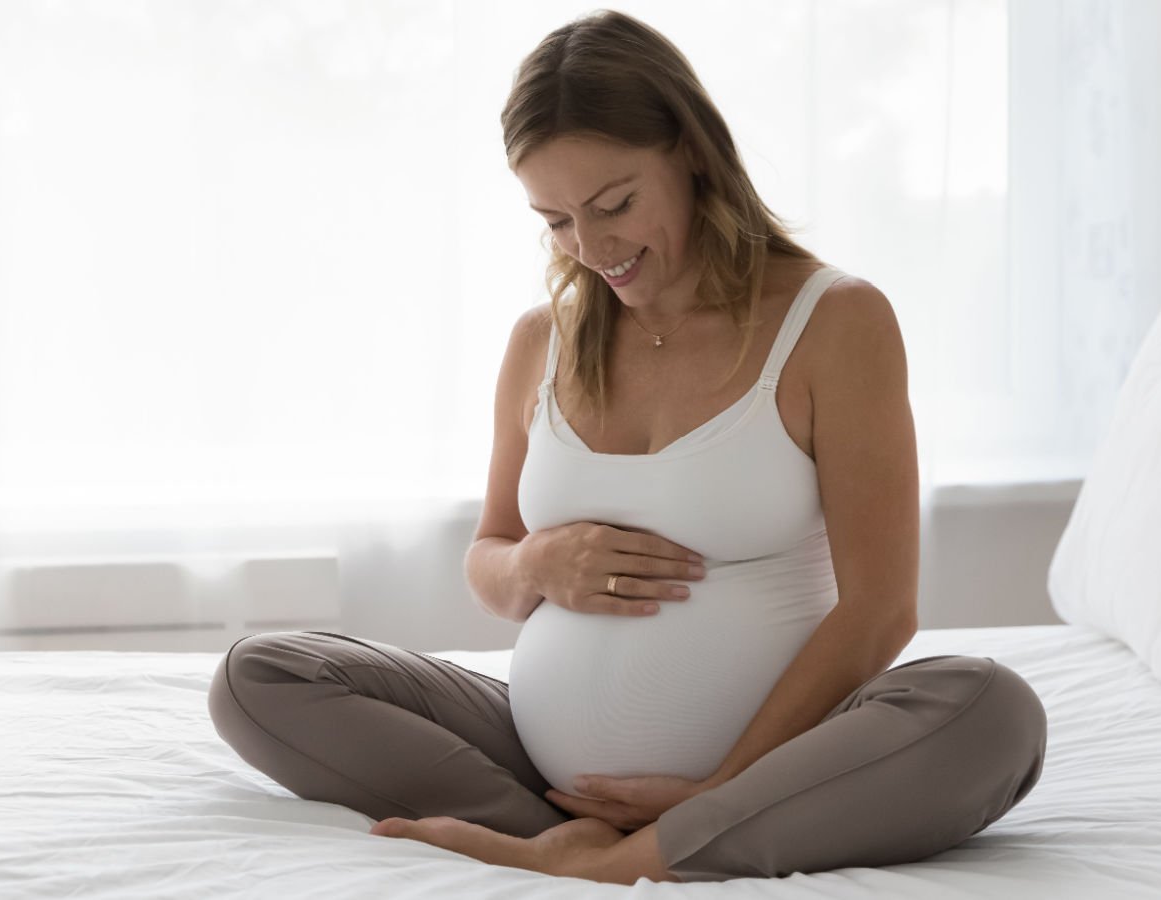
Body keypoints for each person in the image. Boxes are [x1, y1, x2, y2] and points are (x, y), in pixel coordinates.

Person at [207, 8, 1047, 885]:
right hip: (541, 762)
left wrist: (721, 785)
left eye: (614, 205)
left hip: (768, 764)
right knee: (260, 677)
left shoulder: (835, 322)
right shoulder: (542, 340)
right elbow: (488, 562)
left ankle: (653, 845)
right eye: (557, 220)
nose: (593, 247)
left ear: (689, 150)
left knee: (992, 711)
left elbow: (880, 610)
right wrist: (539, 563)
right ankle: (574, 836)